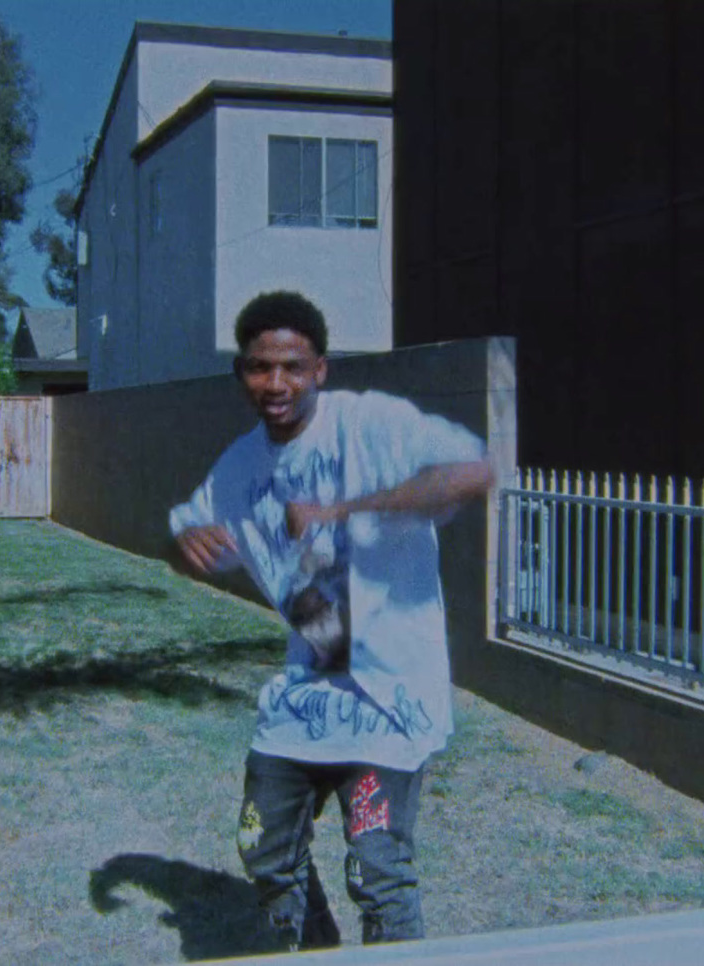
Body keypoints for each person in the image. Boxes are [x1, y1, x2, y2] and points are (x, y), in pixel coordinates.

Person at [169, 290, 494, 950]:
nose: (277, 382)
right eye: (261, 368)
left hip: (389, 697)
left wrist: (342, 509)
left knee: (378, 872)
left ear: (321, 369)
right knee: (262, 849)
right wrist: (188, 542)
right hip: (310, 694)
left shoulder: (371, 425)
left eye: (293, 366)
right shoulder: (239, 469)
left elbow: (472, 470)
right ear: (242, 375)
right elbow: (192, 525)